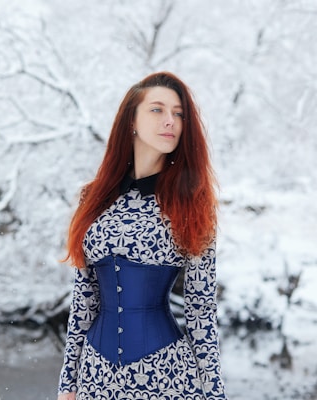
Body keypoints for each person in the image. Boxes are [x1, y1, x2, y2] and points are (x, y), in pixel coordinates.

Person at [57, 72, 228, 400]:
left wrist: (214, 394)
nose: (170, 121)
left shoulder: (193, 203)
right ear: (131, 121)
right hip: (96, 376)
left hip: (167, 375)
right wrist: (69, 383)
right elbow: (85, 297)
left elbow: (200, 308)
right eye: (157, 110)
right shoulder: (92, 198)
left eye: (178, 113)